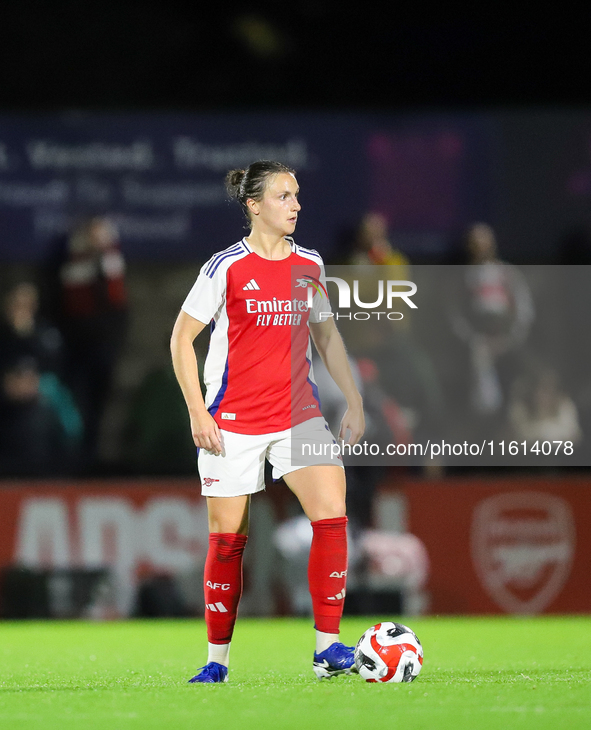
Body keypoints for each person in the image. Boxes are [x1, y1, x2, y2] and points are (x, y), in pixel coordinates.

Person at [170, 160, 365, 683]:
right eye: (284, 196)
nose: (296, 204)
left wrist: (354, 399)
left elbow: (325, 336)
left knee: (331, 513)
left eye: (297, 195)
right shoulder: (225, 267)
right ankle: (216, 662)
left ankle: (328, 648)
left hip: (298, 414)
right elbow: (180, 338)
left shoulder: (311, 264)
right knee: (229, 540)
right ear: (254, 206)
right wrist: (197, 410)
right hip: (232, 420)